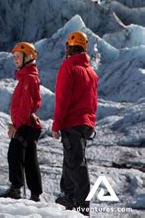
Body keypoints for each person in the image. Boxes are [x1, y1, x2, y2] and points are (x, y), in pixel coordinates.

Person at [52, 31, 97, 216]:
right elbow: (93, 101)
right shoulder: (91, 72)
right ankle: (69, 197)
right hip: (85, 125)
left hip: (71, 123)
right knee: (70, 161)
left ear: (69, 47)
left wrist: (56, 125)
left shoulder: (69, 67)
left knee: (76, 165)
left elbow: (62, 99)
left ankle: (81, 208)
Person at [0, 42, 43, 201]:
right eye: (14, 57)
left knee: (15, 154)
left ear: (28, 57)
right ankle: (35, 195)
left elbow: (26, 105)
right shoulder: (27, 77)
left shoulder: (28, 79)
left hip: (25, 125)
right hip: (28, 125)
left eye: (18, 56)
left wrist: (16, 127)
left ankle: (16, 190)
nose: (15, 60)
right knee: (29, 160)